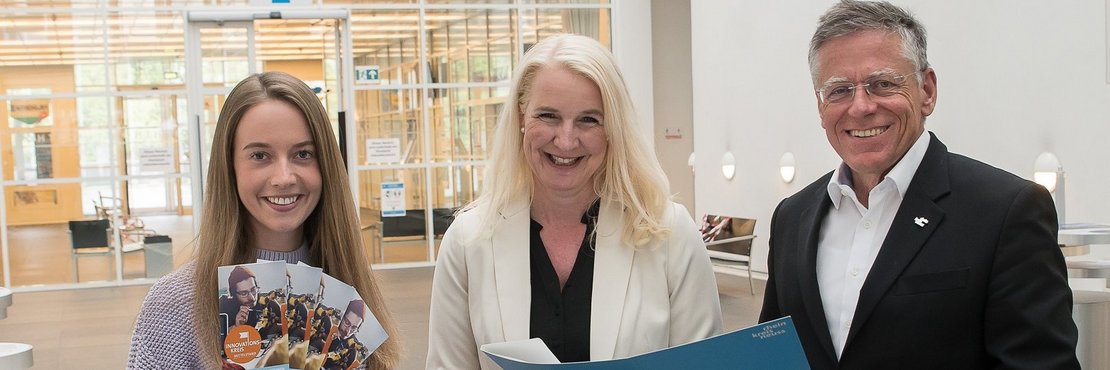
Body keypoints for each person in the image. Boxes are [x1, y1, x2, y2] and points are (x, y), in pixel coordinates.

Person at [758, 1, 1079, 369]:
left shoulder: (1006, 211)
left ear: (926, 90)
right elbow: (774, 356)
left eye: (882, 84)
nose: (861, 107)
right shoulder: (792, 217)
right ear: (820, 106)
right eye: (839, 90)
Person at [426, 33, 723, 369]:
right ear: (522, 118)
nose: (566, 141)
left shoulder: (670, 235)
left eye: (588, 119)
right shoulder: (468, 241)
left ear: (614, 128)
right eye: (548, 116)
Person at [126, 71, 401, 369]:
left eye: (303, 154)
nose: (283, 177)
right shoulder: (175, 304)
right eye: (260, 156)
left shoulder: (350, 289)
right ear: (229, 167)